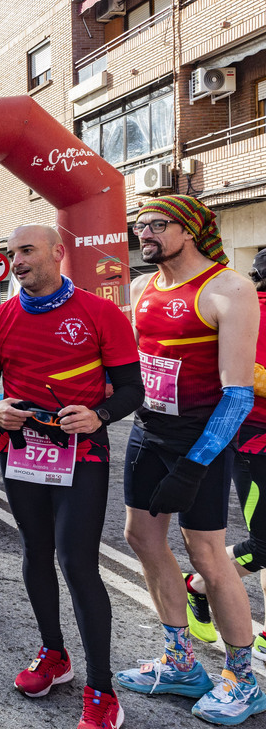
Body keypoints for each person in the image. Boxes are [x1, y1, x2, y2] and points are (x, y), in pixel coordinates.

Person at [0, 225, 143, 729]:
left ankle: (102, 690)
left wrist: (100, 417)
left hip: (81, 454)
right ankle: (54, 654)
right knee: (35, 554)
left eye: (26, 250)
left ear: (57, 253)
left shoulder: (100, 312)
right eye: (11, 252)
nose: (16, 259)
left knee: (77, 562)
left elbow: (130, 389)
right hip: (21, 453)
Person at [112, 196, 262, 725]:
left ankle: (243, 678)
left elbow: (238, 395)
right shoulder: (142, 287)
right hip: (149, 432)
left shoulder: (231, 289)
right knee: (141, 537)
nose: (144, 233)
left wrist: (195, 465)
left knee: (207, 555)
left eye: (156, 225)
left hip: (203, 440)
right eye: (139, 226)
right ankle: (180, 663)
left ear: (191, 229)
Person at [181, 249, 266, 660]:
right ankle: (196, 586)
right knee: (265, 544)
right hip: (255, 442)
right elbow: (246, 377)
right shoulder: (254, 310)